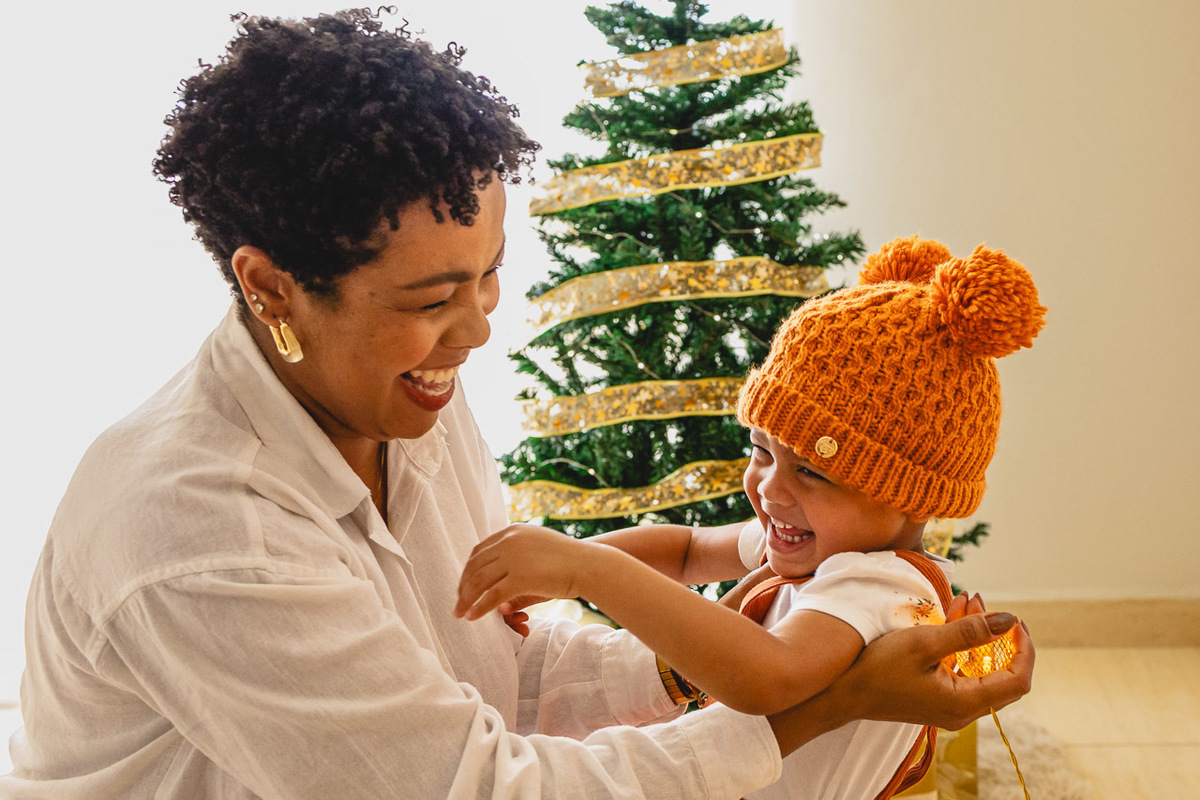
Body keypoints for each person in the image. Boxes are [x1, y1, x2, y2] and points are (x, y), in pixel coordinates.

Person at [3, 10, 1033, 799]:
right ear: (271, 285)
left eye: (487, 275)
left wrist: (681, 674)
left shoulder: (409, 403)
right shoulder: (202, 538)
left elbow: (496, 672)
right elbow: (481, 785)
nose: (477, 329)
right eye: (430, 298)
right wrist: (825, 705)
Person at [456, 236, 1045, 799]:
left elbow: (765, 675)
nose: (770, 489)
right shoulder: (816, 544)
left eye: (813, 472)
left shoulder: (875, 585)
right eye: (762, 451)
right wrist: (555, 569)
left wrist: (589, 573)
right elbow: (686, 549)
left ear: (910, 497)